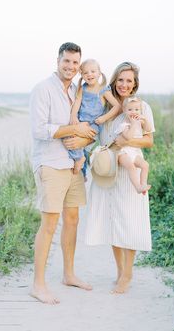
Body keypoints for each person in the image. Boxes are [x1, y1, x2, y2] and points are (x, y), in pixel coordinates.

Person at [63, 61, 155, 294]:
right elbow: (95, 133)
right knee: (112, 221)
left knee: (130, 221)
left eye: (129, 81)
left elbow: (149, 141)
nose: (124, 85)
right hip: (107, 169)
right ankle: (119, 270)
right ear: (114, 80)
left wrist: (126, 142)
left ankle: (127, 274)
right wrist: (79, 141)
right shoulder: (106, 105)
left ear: (135, 84)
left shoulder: (140, 106)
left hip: (129, 167)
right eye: (121, 80)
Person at [29, 42, 96, 304]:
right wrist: (74, 130)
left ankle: (69, 274)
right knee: (49, 224)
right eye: (66, 61)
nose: (70, 67)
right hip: (50, 163)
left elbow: (86, 132)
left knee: (72, 218)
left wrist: (82, 138)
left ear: (79, 67)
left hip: (73, 165)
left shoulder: (77, 92)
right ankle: (38, 285)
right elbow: (39, 130)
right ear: (57, 61)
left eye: (75, 63)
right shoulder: (43, 89)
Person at [69, 59, 120, 178]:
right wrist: (73, 115)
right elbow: (77, 102)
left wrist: (104, 118)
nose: (89, 74)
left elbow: (117, 106)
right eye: (85, 73)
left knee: (82, 144)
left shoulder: (103, 90)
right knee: (71, 139)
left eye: (93, 71)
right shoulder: (82, 88)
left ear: (99, 73)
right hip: (81, 121)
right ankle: (82, 167)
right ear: (81, 75)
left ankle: (81, 161)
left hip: (94, 124)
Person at [114, 95, 151, 195]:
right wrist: (134, 124)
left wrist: (145, 119)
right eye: (130, 109)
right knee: (131, 167)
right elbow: (128, 137)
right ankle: (138, 187)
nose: (133, 112)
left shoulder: (140, 122)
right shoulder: (124, 125)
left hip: (134, 151)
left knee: (145, 165)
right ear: (125, 111)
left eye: (136, 109)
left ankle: (143, 184)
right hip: (123, 152)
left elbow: (148, 129)